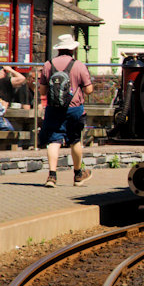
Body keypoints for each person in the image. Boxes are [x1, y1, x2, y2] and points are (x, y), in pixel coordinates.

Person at [38, 34, 94, 187]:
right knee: (75, 140)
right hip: (75, 109)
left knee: (54, 141)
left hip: (54, 109)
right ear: (72, 49)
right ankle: (77, 175)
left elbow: (42, 91)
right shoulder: (79, 65)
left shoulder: (48, 64)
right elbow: (88, 90)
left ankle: (52, 176)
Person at [0, 65, 26, 129]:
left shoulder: (5, 81)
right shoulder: (4, 81)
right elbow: (22, 78)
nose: (6, 73)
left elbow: (22, 79)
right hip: (1, 117)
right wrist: (10, 70)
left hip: (3, 115)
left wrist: (10, 70)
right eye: (4, 71)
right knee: (9, 130)